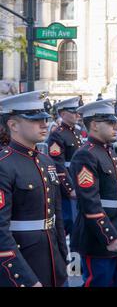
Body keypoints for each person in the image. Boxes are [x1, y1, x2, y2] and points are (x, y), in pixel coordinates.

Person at [0, 91, 68, 287]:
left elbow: (57, 216)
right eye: (35, 119)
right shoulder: (4, 165)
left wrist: (63, 258)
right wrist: (24, 278)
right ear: (13, 125)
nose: (44, 124)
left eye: (44, 118)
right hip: (23, 262)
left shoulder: (46, 161)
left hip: (52, 258)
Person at [70, 99, 117, 287]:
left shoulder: (108, 151)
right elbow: (89, 203)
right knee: (100, 282)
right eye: (110, 122)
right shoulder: (86, 154)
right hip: (99, 235)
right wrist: (109, 235)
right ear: (94, 125)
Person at [46, 97, 83, 236]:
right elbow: (57, 165)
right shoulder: (57, 134)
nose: (77, 115)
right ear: (62, 114)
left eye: (77, 112)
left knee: (78, 219)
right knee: (69, 220)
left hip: (78, 178)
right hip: (67, 182)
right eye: (73, 112)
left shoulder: (77, 132)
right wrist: (69, 188)